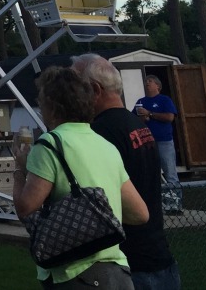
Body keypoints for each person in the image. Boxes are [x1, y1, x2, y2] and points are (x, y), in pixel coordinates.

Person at [13, 66, 148, 289]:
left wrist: (19, 169)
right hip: (117, 271)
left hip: (74, 273)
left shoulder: (49, 145)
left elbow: (25, 208)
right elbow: (140, 213)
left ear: (52, 105)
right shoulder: (106, 145)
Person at [74, 54, 180, 290]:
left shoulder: (100, 132)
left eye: (74, 87)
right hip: (158, 255)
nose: (71, 95)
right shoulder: (136, 124)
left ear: (94, 89)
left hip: (129, 265)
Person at [133, 75, 181, 212]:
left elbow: (170, 117)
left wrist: (151, 114)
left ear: (157, 86)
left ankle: (175, 204)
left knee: (169, 172)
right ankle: (155, 205)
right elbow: (134, 120)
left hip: (164, 142)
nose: (147, 83)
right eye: (146, 81)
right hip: (146, 143)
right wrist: (142, 118)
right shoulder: (140, 101)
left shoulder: (164, 100)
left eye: (150, 81)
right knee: (150, 173)